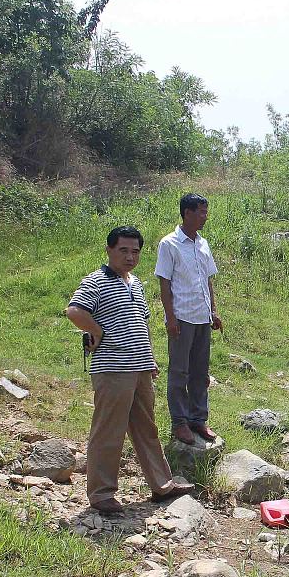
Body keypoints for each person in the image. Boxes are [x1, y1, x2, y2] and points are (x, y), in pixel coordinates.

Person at [65, 226, 195, 513]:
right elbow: (74, 311)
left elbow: (141, 324)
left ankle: (162, 485)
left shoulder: (135, 283)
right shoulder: (96, 281)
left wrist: (150, 361)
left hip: (139, 368)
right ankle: (101, 494)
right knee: (108, 431)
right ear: (109, 250)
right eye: (123, 250)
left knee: (146, 428)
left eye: (135, 251)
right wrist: (96, 330)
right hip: (112, 368)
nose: (129, 256)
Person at [155, 193, 222, 445]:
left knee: (200, 372)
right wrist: (170, 318)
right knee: (179, 372)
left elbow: (208, 280)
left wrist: (213, 311)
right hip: (181, 318)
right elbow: (165, 283)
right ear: (187, 213)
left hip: (202, 317)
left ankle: (198, 419)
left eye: (206, 211)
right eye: (201, 212)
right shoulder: (169, 244)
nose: (205, 217)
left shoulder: (202, 244)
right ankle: (179, 422)